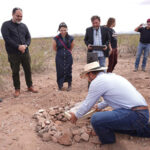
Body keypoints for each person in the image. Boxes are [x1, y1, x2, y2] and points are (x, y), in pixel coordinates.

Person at [70, 61, 150, 145]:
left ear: (91, 74)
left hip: (135, 115)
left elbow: (88, 104)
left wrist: (76, 115)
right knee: (110, 122)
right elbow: (112, 97)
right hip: (142, 114)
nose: (88, 79)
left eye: (87, 76)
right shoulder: (111, 77)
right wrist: (100, 106)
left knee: (96, 119)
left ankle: (108, 142)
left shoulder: (97, 82)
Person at [1, 7, 38, 97]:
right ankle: (17, 89)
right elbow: (7, 39)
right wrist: (18, 46)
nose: (19, 18)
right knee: (15, 71)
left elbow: (28, 38)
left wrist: (25, 46)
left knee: (28, 70)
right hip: (13, 53)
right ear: (12, 14)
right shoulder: (6, 25)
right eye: (17, 16)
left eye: (21, 16)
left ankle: (30, 86)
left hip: (25, 52)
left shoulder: (24, 26)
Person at [52, 22, 74, 91]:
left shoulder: (71, 38)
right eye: (61, 30)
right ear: (59, 30)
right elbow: (54, 48)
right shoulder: (56, 38)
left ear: (67, 29)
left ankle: (69, 85)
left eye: (64, 30)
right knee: (59, 70)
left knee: (68, 70)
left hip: (68, 56)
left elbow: (71, 47)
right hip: (59, 57)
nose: (63, 32)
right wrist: (61, 53)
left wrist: (67, 52)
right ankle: (60, 86)